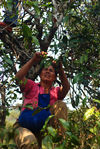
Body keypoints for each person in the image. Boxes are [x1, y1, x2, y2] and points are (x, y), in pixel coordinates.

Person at [14, 51, 70, 149]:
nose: (48, 71)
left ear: (55, 77)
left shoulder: (55, 91)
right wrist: (33, 60)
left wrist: (60, 69)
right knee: (30, 143)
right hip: (23, 127)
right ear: (40, 74)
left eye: (51, 70)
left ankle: (60, 144)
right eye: (45, 69)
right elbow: (18, 78)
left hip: (42, 129)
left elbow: (66, 88)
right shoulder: (31, 86)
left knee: (61, 105)